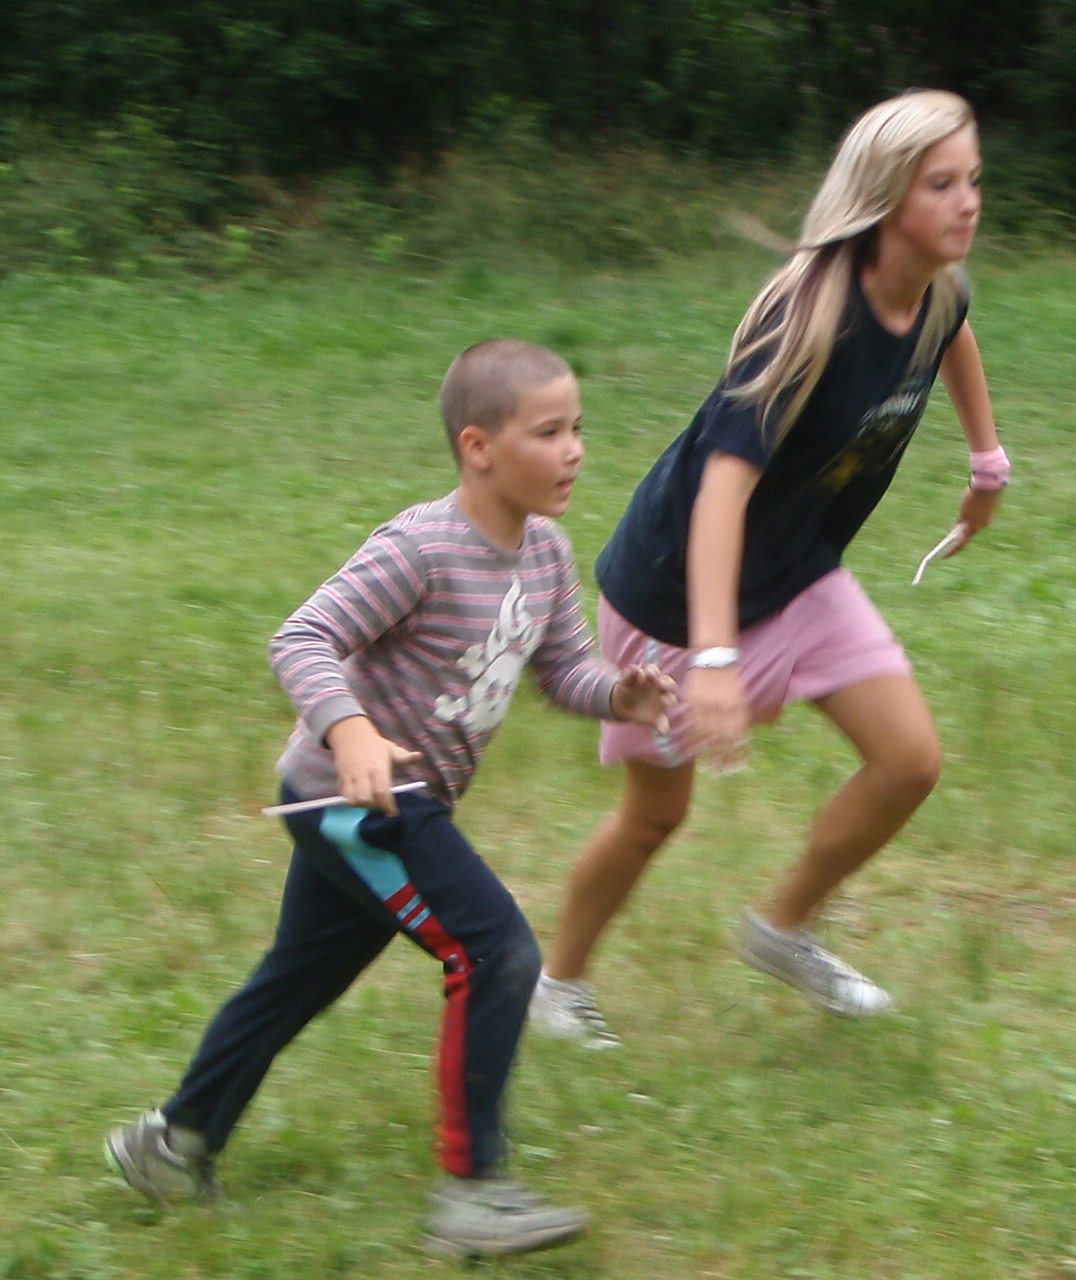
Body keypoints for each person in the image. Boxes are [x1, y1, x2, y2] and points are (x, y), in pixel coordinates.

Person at [103, 340, 675, 1258]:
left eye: (578, 429)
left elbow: (563, 667)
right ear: (477, 446)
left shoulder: (547, 554)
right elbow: (303, 637)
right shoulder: (421, 548)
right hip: (353, 800)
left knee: (301, 976)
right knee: (494, 951)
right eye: (548, 432)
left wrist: (620, 694)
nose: (573, 450)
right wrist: (352, 731)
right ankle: (472, 1193)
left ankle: (171, 1144)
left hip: (398, 799)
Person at [529, 89, 1008, 1048]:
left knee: (909, 760)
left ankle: (784, 928)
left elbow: (951, 332)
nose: (967, 202)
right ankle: (557, 983)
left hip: (795, 571)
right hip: (675, 590)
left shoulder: (938, 288)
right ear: (884, 197)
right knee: (656, 815)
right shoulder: (807, 320)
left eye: (973, 180)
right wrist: (712, 659)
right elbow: (721, 489)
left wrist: (985, 460)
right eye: (941, 184)